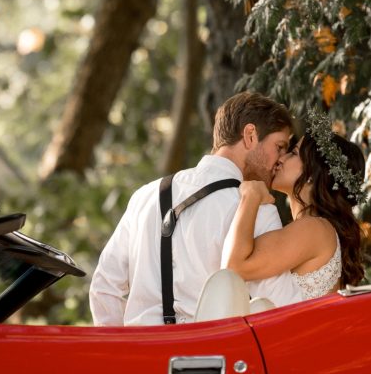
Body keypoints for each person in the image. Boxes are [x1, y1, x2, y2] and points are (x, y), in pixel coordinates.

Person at [89, 92, 305, 325]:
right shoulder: (257, 209)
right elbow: (281, 304)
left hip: (140, 354)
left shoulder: (146, 195)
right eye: (279, 146)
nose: (280, 159)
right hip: (208, 356)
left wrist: (123, 353)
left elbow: (104, 288)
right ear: (250, 135)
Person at [222, 109, 366, 299]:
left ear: (312, 174)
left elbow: (234, 267)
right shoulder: (315, 228)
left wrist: (250, 196)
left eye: (293, 153)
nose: (281, 158)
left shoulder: (314, 228)